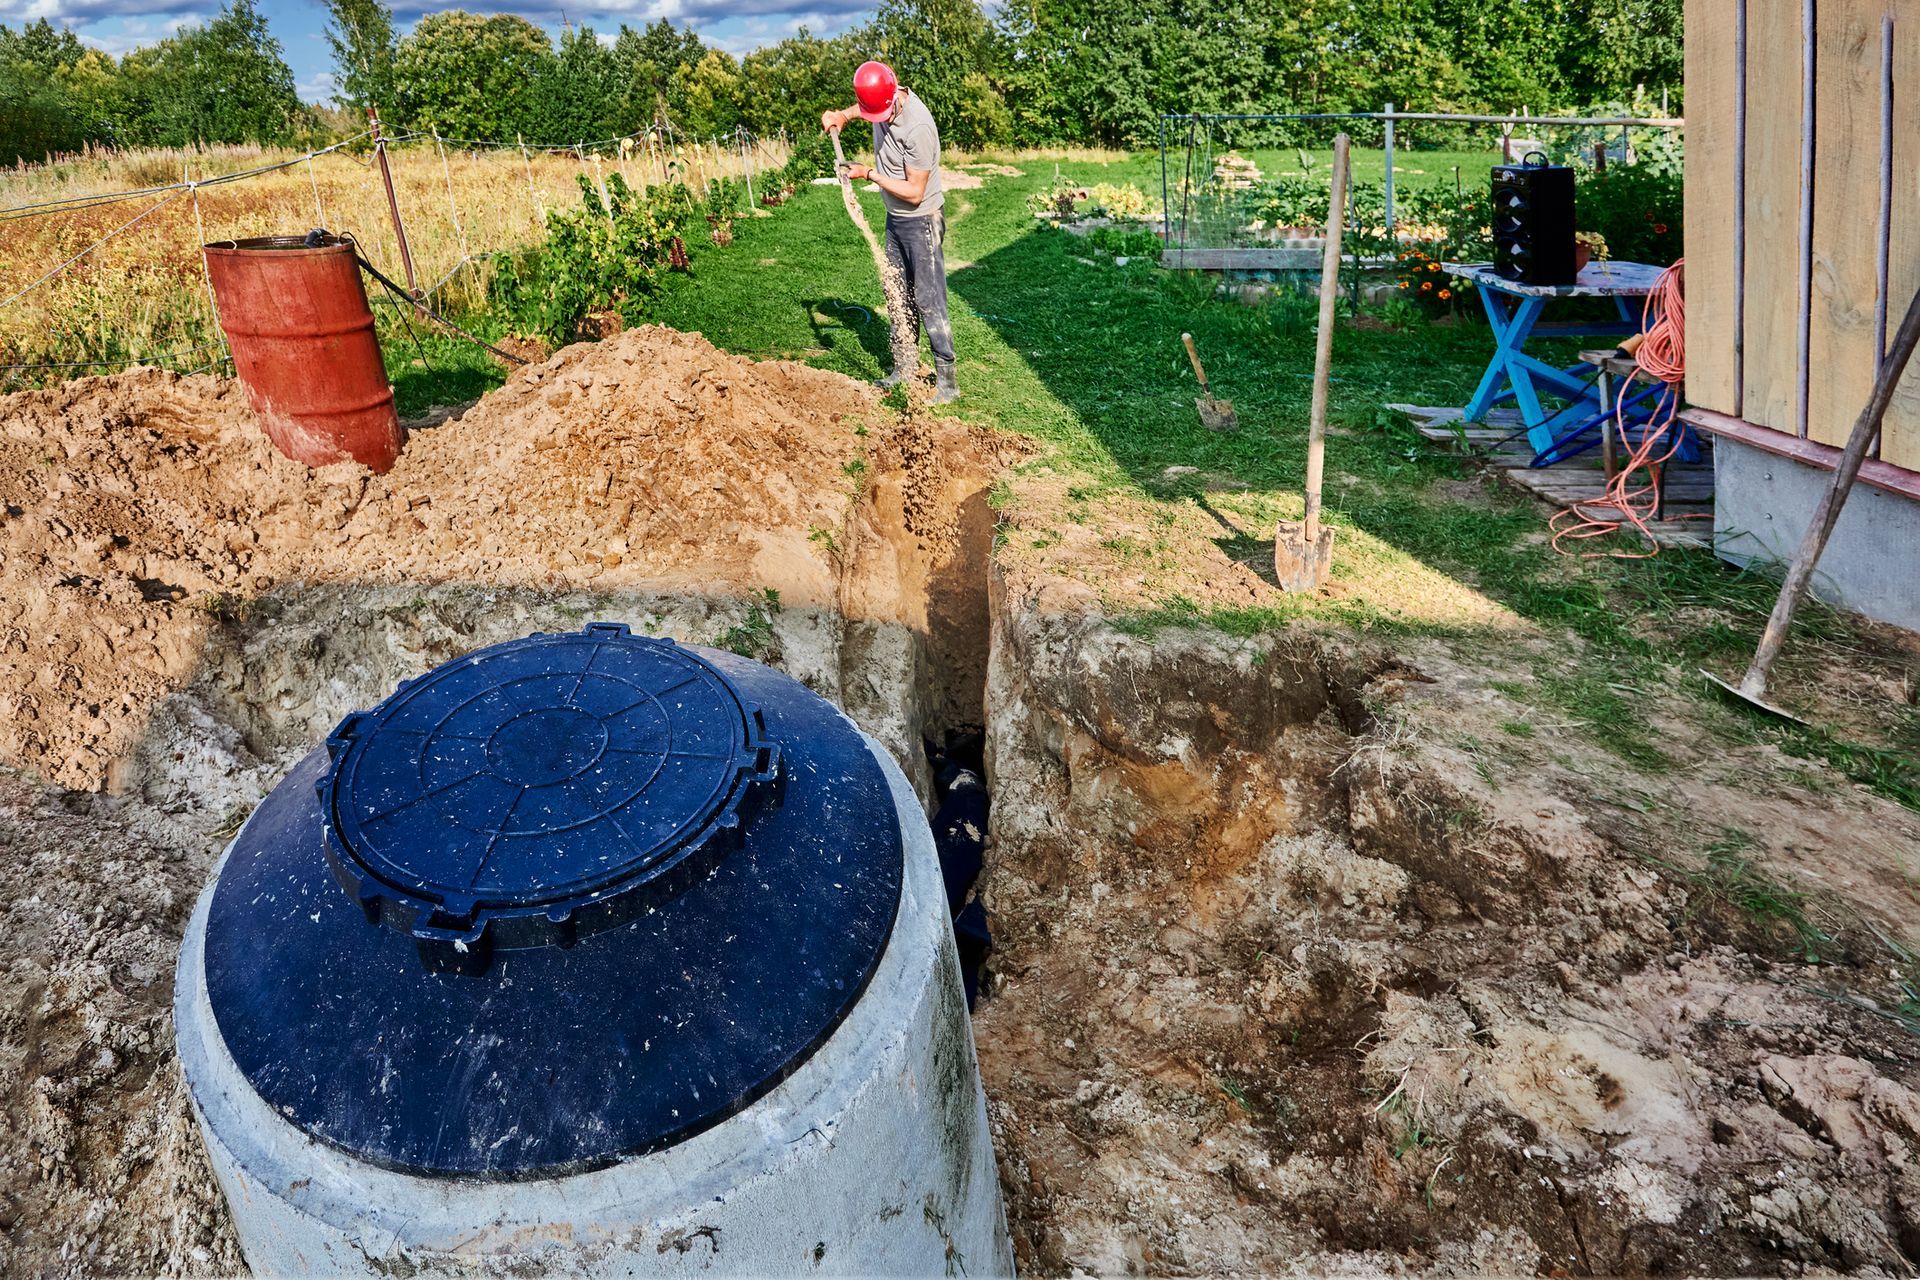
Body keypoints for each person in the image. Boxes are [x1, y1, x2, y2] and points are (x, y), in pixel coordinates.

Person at [821, 61, 956, 404]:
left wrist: (868, 174)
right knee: (897, 293)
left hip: (922, 219)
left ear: (894, 94)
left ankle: (947, 382)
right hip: (895, 219)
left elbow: (914, 192)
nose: (875, 121)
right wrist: (844, 116)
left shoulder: (918, 127)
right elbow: (865, 109)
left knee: (927, 298)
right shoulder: (880, 103)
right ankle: (905, 367)